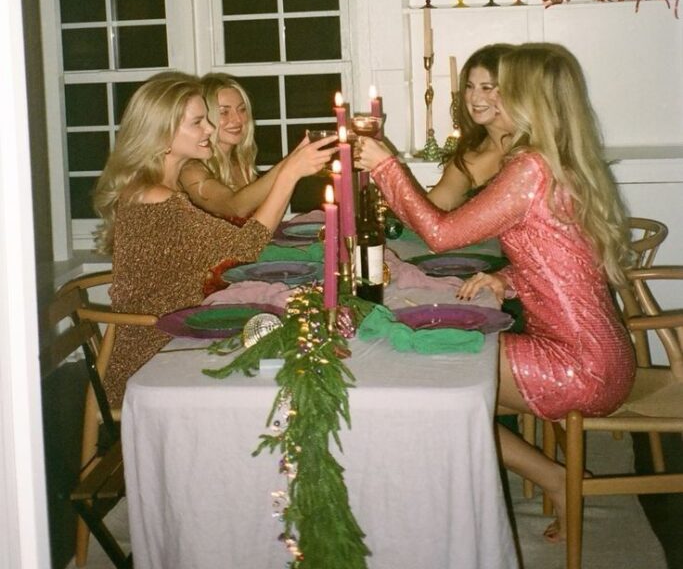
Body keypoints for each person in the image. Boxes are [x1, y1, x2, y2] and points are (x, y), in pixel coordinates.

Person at [356, 42, 636, 541]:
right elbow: (564, 261)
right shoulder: (558, 162)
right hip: (603, 354)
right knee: (443, 365)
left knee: (432, 380)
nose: (489, 95)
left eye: (504, 87)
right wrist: (505, 278)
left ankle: (551, 480)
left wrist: (384, 166)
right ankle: (554, 480)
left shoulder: (529, 169)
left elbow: (440, 235)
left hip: (577, 366)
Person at [94, 71, 333, 404]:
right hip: (155, 353)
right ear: (162, 135)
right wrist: (290, 173)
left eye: (207, 119)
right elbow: (245, 249)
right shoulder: (154, 198)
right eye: (198, 122)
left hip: (185, 328)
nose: (209, 129)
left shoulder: (165, 190)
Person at [179, 72, 327, 221]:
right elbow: (236, 208)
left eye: (242, 109)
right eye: (224, 112)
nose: (237, 119)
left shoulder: (241, 164)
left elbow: (265, 221)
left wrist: (296, 165)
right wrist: (290, 164)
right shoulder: (191, 170)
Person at [428, 44, 514, 211]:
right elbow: (429, 212)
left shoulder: (536, 149)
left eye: (486, 87)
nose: (474, 97)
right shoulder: (470, 159)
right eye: (469, 86)